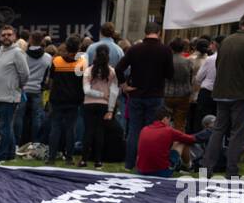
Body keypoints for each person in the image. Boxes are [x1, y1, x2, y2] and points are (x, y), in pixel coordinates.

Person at [201, 12, 244, 178]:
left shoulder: (227, 41)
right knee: (237, 132)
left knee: (218, 130)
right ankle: (231, 170)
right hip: (241, 94)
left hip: (222, 92)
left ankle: (207, 168)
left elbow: (218, 64)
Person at [117, 21, 173, 171]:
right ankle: (147, 163)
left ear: (145, 32)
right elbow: (170, 74)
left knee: (134, 130)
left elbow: (119, 68)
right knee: (153, 131)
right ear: (159, 33)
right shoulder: (165, 50)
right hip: (155, 94)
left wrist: (124, 86)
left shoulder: (135, 49)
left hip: (136, 94)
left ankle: (129, 164)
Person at [0, 24, 29, 161]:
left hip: (9, 96)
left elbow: (25, 74)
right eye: (3, 35)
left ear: (15, 36)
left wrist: (17, 86)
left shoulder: (17, 52)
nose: (6, 37)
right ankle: (10, 153)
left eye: (9, 34)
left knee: (5, 127)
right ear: (0, 37)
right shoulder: (0, 51)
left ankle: (2, 154)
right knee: (5, 126)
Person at [78, 44, 119, 169]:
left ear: (95, 55)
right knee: (100, 132)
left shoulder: (89, 70)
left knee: (88, 131)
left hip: (89, 104)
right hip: (103, 105)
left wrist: (99, 94)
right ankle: (98, 161)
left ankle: (84, 159)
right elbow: (113, 92)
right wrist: (110, 109)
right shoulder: (111, 72)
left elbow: (86, 90)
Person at [46, 37, 83, 164]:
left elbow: (50, 82)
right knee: (70, 129)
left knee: (55, 128)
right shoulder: (81, 62)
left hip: (57, 99)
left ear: (66, 47)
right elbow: (82, 83)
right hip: (73, 100)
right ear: (78, 48)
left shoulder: (56, 61)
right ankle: (69, 158)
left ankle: (51, 158)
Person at [136, 106, 196, 177]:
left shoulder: (144, 129)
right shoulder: (169, 130)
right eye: (170, 120)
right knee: (182, 142)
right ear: (165, 119)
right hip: (161, 172)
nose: (170, 123)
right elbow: (191, 139)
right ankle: (189, 167)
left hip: (141, 171)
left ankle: (184, 165)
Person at [17, 35, 51, 146]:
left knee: (19, 116)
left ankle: (17, 141)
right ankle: (36, 142)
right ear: (42, 41)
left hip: (23, 89)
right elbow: (48, 75)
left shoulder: (22, 55)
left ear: (30, 40)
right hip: (37, 89)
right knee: (37, 117)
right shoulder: (48, 57)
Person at [164, 37, 195, 138]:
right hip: (183, 94)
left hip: (168, 93)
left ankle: (165, 140)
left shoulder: (166, 61)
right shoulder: (188, 62)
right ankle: (178, 144)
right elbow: (190, 78)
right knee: (180, 123)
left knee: (165, 120)